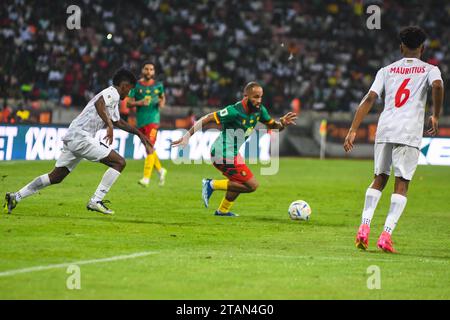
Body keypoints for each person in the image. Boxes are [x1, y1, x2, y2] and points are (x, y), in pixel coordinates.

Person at [344, 26, 444, 253]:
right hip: (408, 132)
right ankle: (386, 235)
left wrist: (353, 129)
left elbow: (370, 98)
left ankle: (364, 227)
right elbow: (438, 86)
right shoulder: (430, 69)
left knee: (379, 178)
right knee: (402, 183)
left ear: (401, 47)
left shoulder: (386, 70)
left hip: (386, 128)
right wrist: (435, 114)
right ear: (423, 48)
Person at [4, 69, 153, 215]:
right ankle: (96, 200)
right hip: (81, 136)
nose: (129, 94)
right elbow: (99, 104)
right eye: (130, 90)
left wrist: (139, 134)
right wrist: (108, 125)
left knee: (56, 176)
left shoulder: (112, 100)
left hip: (74, 136)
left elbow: (118, 121)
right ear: (125, 86)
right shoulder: (112, 92)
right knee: (119, 162)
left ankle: (15, 197)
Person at [172, 82, 297, 216]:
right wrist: (187, 136)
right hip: (221, 152)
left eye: (260, 97)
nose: (258, 101)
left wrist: (282, 123)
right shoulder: (234, 111)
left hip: (233, 153)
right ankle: (211, 184)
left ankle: (223, 211)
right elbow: (206, 118)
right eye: (255, 97)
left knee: (238, 181)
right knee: (252, 185)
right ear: (246, 96)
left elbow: (274, 127)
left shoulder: (260, 111)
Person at [127, 62, 167, 187]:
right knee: (148, 148)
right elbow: (128, 103)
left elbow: (162, 98)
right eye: (147, 69)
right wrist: (140, 103)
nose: (149, 71)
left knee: (149, 146)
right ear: (143, 70)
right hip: (141, 121)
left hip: (153, 121)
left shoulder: (158, 85)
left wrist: (161, 103)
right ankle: (160, 170)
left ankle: (146, 178)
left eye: (151, 69)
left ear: (154, 72)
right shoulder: (136, 86)